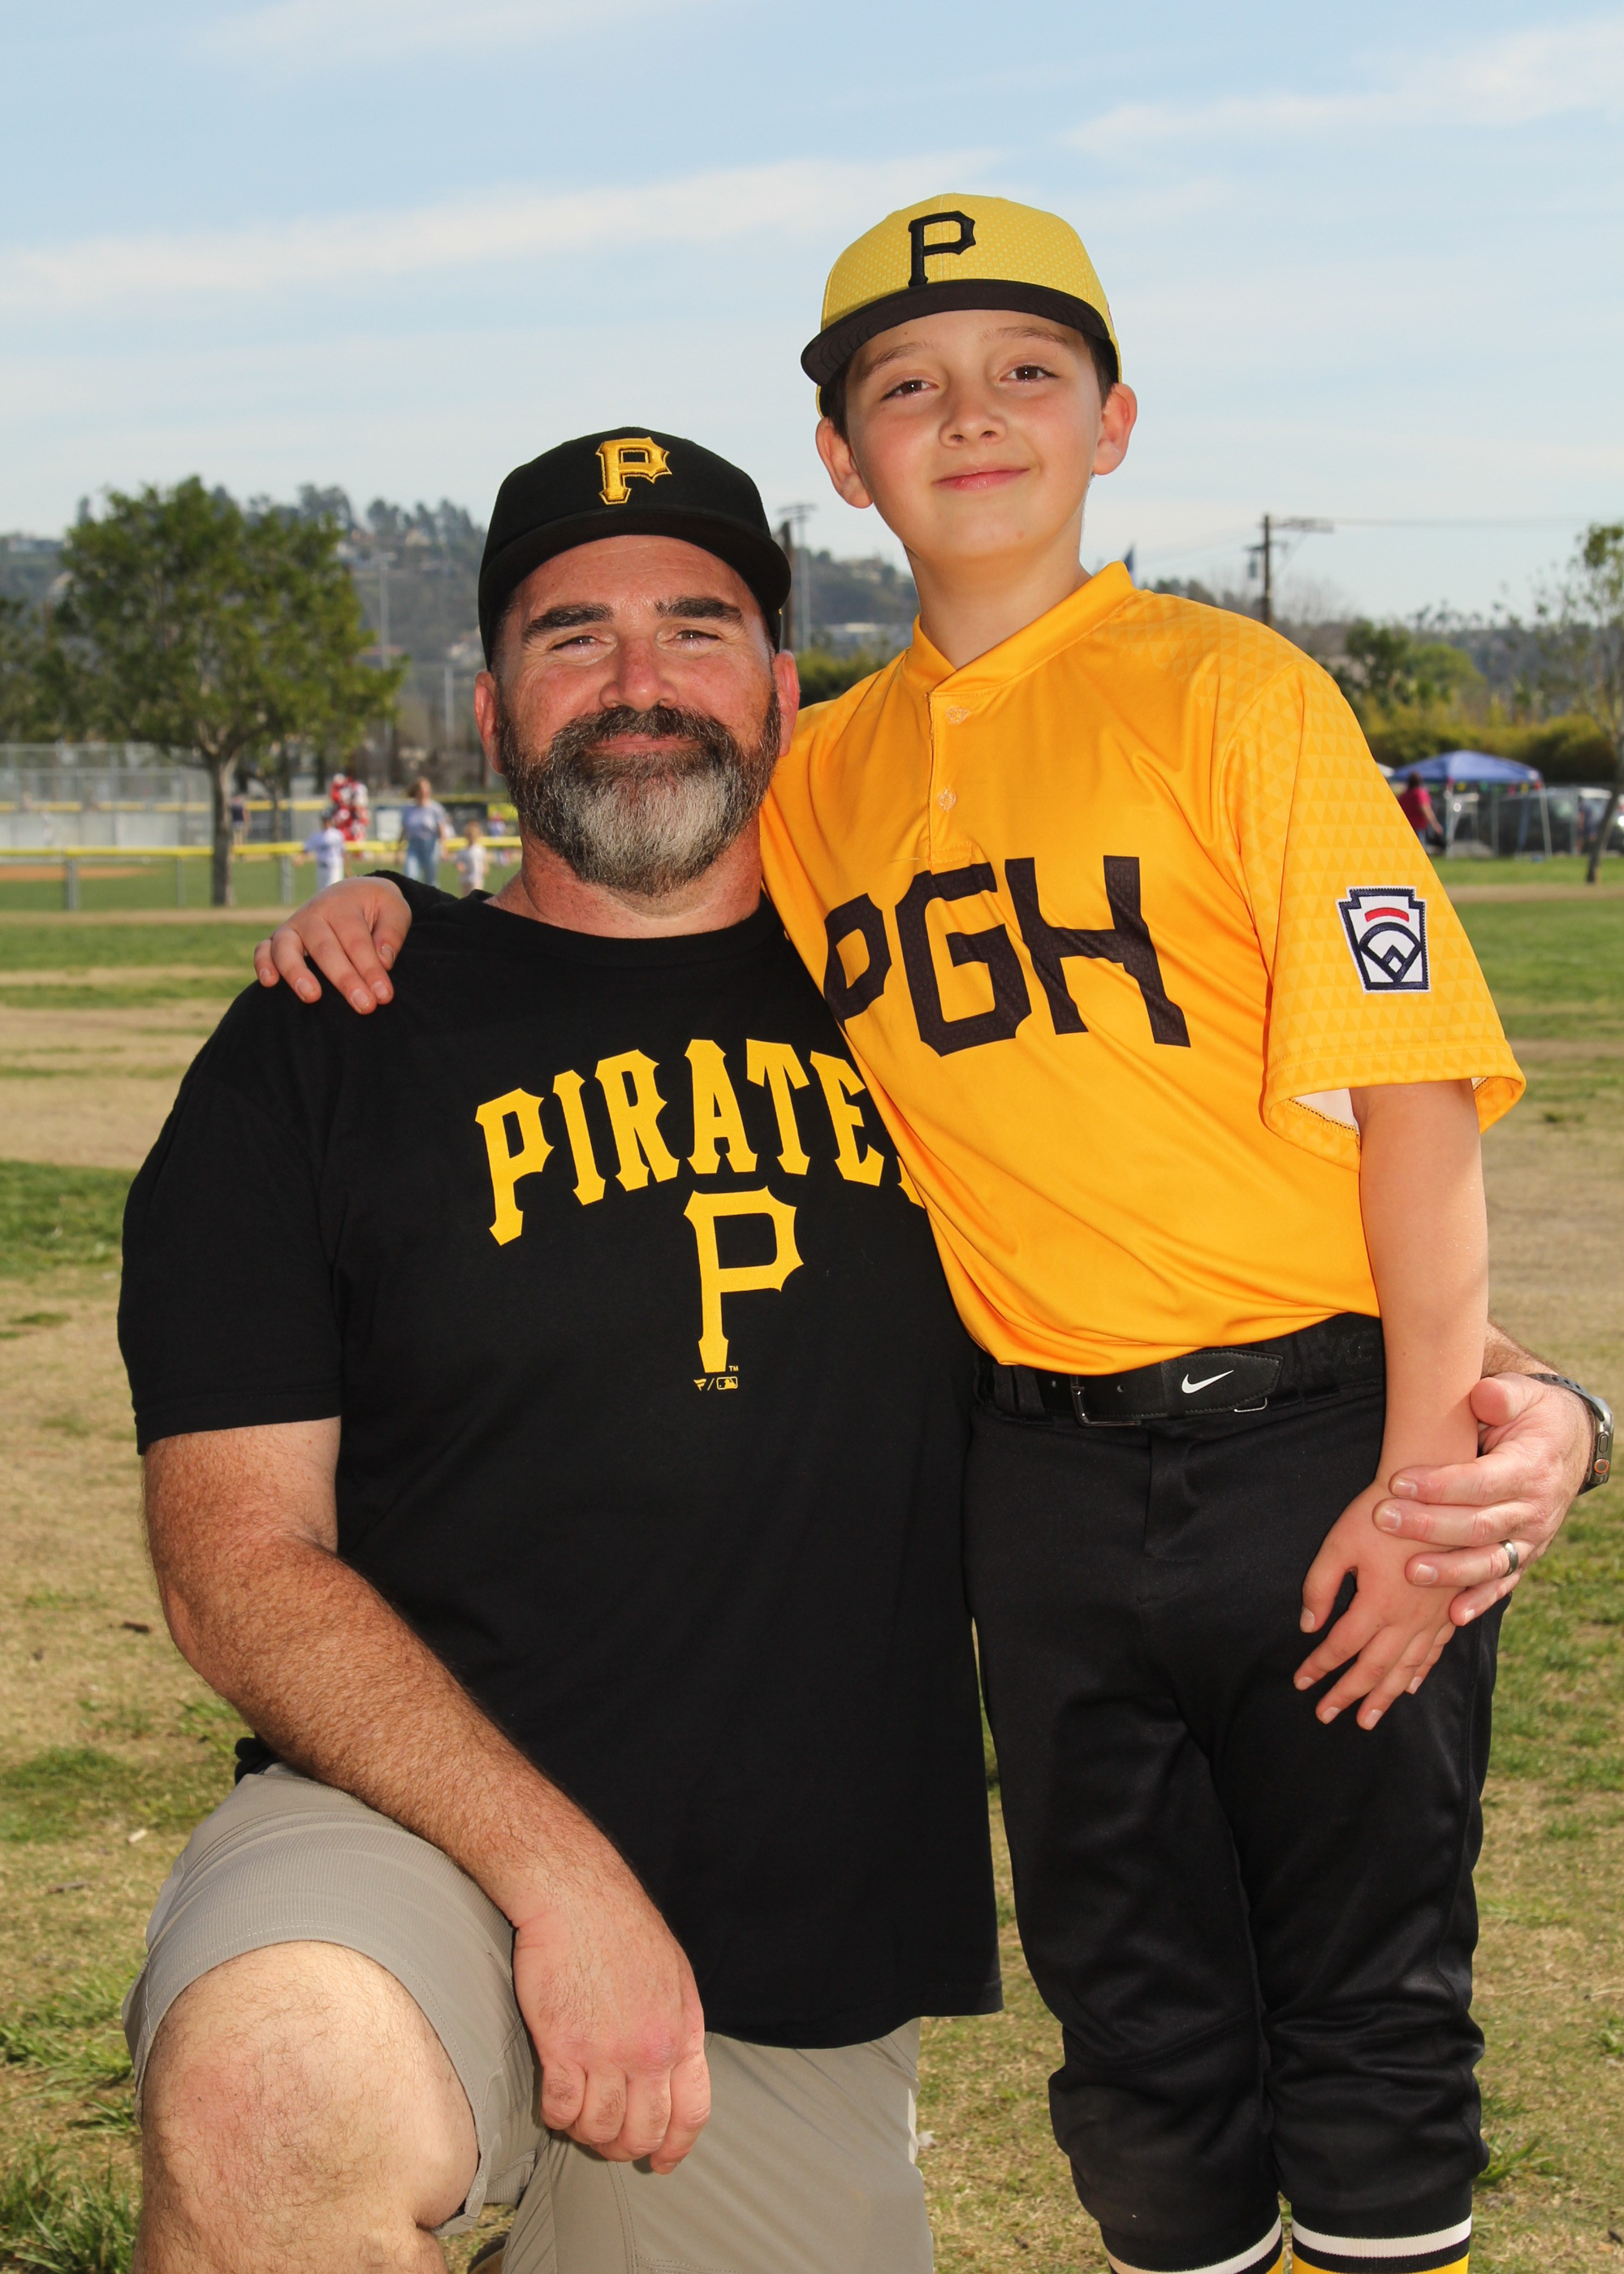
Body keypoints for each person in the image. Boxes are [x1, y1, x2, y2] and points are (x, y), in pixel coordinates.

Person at [265, 214, 1610, 2274]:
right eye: (907, 385)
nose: (969, 417)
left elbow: (1412, 1095)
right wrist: (394, 913)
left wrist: (1439, 1454)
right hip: (1033, 1477)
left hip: (1306, 1441)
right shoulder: (826, 773)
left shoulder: (1235, 693)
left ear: (1113, 420)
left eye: (1022, 372)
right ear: (842, 455)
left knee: (1365, 2008)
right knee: (1134, 2029)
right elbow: (619, 862)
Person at [117, 435, 1001, 2274]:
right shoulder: (329, 1035)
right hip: (402, 1825)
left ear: (783, 689)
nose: (637, 681)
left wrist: (1521, 1384)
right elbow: (232, 1561)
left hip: (798, 1929)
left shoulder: (931, 1012)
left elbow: (1216, 1238)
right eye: (571, 635)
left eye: (696, 627)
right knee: (277, 2091)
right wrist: (553, 1873)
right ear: (490, 706)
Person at [400, 774, 451, 884]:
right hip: (413, 845)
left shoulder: (435, 808)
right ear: (416, 791)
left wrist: (444, 848)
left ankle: (432, 895)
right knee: (410, 876)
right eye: (421, 789)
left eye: (426, 789)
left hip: (430, 846)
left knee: (430, 880)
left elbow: (441, 831)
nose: (423, 792)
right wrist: (398, 849)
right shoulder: (408, 808)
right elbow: (404, 829)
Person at [301, 814, 347, 892]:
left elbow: (343, 852)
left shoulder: (337, 835)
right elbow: (307, 849)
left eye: (328, 821)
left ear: (331, 821)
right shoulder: (316, 836)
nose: (326, 823)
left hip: (334, 867)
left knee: (333, 891)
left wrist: (347, 868)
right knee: (321, 892)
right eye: (324, 821)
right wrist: (301, 859)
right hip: (321, 867)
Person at [1398, 767, 1441, 845]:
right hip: (1418, 827)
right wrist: (1435, 825)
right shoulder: (1419, 794)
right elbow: (1425, 809)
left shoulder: (1404, 795)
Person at [455, 812, 489, 895]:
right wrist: (460, 867)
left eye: (473, 836)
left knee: (476, 893)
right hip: (466, 877)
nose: (472, 838)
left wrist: (485, 868)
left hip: (477, 876)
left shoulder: (480, 850)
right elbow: (458, 861)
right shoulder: (463, 851)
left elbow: (484, 860)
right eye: (470, 836)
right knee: (466, 895)